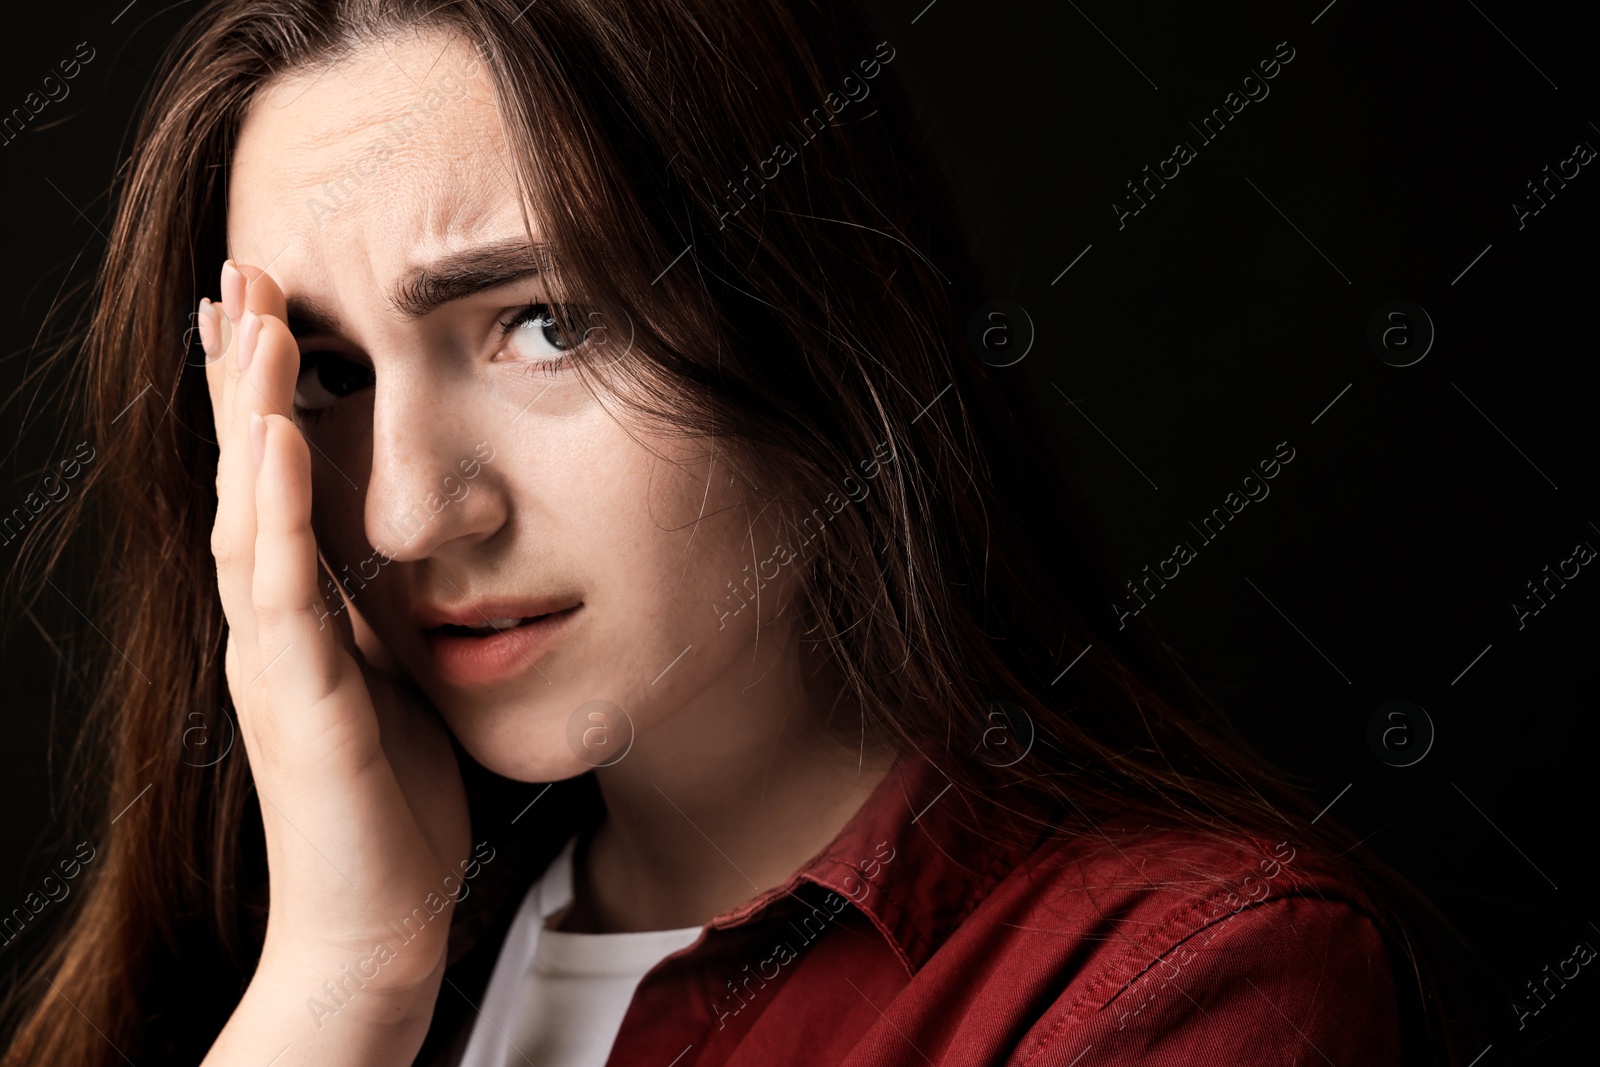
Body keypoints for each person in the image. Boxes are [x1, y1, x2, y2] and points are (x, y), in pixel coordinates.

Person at [0, 1, 1484, 1064]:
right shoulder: (279, 961)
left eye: (545, 323)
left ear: (816, 320)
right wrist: (338, 981)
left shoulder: (1183, 989)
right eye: (324, 376)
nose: (405, 510)